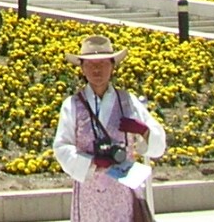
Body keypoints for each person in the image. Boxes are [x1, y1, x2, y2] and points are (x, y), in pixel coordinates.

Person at [52, 34, 166, 222]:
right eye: (91, 64)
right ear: (82, 68)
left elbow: (158, 145)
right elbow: (61, 147)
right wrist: (91, 162)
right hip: (89, 192)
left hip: (123, 189)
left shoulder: (128, 101)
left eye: (103, 63)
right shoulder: (72, 105)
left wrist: (143, 131)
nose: (97, 69)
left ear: (113, 66)